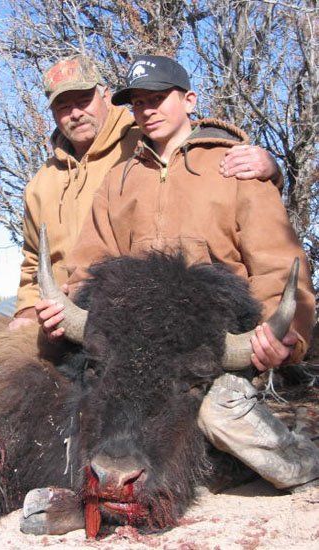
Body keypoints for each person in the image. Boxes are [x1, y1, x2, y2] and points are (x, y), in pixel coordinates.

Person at [38, 55, 318, 492]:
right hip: (137, 353)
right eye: (137, 102)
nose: (147, 110)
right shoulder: (117, 181)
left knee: (219, 413)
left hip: (207, 352)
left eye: (157, 98)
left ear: (189, 100)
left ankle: (302, 462)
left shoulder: (237, 167)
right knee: (80, 406)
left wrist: (284, 338)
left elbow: (279, 267)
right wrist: (66, 310)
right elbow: (90, 267)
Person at [9, 54, 281, 330]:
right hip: (78, 319)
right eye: (63, 106)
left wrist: (270, 168)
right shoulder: (42, 183)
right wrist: (29, 312)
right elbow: (34, 259)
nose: (75, 113)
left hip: (189, 322)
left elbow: (189, 142)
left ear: (105, 96)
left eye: (83, 100)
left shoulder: (145, 139)